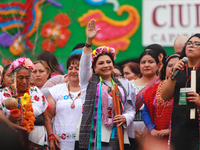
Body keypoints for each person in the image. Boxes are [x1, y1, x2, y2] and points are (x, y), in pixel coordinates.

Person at [77, 19, 135, 150]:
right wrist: (89, 42)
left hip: (118, 134)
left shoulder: (124, 85)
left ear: (113, 64)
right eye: (100, 63)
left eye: (108, 62)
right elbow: (84, 66)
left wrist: (125, 117)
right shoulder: (88, 82)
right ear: (94, 68)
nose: (105, 65)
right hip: (94, 134)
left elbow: (131, 109)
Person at [161, 33, 200, 150]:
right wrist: (173, 75)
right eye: (189, 43)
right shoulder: (179, 68)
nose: (190, 46)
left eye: (196, 43)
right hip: (179, 125)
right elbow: (165, 96)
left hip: (197, 127)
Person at [0, 57, 48, 149]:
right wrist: (9, 122)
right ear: (13, 77)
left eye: (27, 78)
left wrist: (51, 135)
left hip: (36, 141)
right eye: (20, 78)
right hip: (10, 140)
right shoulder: (3, 94)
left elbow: (43, 114)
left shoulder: (35, 91)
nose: (24, 81)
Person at [43, 54, 82, 150]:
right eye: (70, 68)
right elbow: (47, 116)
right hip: (60, 144)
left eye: (77, 68)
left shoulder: (90, 89)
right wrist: (51, 136)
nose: (73, 71)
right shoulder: (57, 90)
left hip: (84, 142)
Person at [141, 54, 180, 150]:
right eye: (170, 65)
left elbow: (183, 113)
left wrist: (170, 129)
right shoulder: (153, 89)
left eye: (177, 65)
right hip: (155, 136)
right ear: (164, 69)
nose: (173, 68)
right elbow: (145, 111)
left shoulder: (185, 88)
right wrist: (151, 129)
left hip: (177, 135)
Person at [129, 50, 161, 150]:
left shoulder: (163, 84)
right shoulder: (129, 84)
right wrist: (130, 130)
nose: (146, 65)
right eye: (143, 62)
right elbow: (123, 109)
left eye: (151, 62)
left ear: (158, 65)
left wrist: (150, 130)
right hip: (130, 132)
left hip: (155, 132)